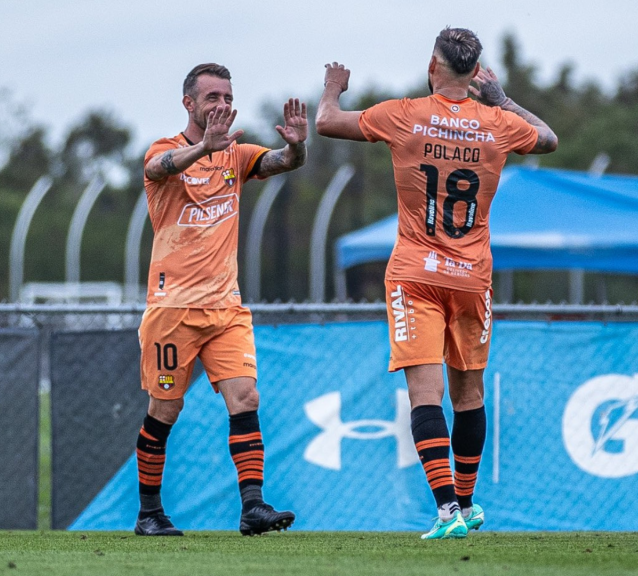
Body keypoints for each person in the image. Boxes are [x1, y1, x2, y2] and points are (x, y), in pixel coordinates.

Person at [316, 27, 557, 539]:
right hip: (472, 278)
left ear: (432, 67)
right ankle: (466, 504)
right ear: (475, 74)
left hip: (416, 275)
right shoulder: (498, 123)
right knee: (469, 395)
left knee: (425, 395)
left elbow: (327, 122)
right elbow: (549, 138)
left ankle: (447, 510)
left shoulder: (404, 114)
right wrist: (502, 100)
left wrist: (333, 87)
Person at [135, 63, 308, 536]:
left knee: (246, 397)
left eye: (227, 97)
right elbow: (156, 168)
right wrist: (202, 149)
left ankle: (253, 507)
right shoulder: (166, 149)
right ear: (188, 103)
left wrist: (297, 145)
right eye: (212, 97)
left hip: (226, 308)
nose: (222, 105)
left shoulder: (236, 155)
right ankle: (149, 513)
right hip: (173, 309)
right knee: (165, 410)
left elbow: (284, 162)